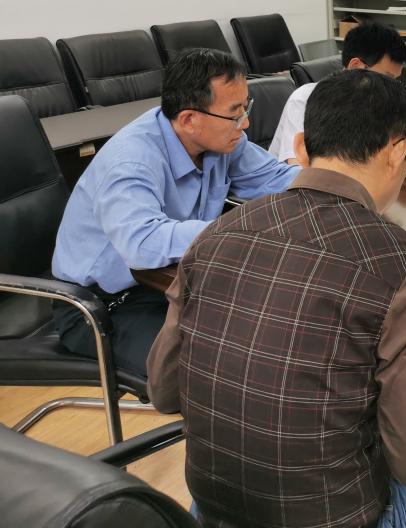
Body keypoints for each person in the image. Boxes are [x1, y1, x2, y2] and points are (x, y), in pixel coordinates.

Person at [147, 70, 406, 528]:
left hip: (213, 511)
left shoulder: (215, 235)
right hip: (338, 517)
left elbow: (163, 390)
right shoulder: (400, 262)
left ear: (301, 147)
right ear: (398, 151)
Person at [51, 48, 300, 378]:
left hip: (171, 284)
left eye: (246, 108)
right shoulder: (132, 161)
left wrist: (342, 178)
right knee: (215, 370)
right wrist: (233, 228)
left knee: (271, 331)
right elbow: (142, 243)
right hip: (101, 305)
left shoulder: (222, 140)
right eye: (235, 114)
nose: (245, 123)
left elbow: (276, 179)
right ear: (189, 119)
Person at [269, 22, 406, 165]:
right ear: (356, 67)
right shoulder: (305, 100)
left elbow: (393, 136)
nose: (391, 88)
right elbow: (298, 168)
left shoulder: (373, 98)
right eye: (386, 78)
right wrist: (384, 161)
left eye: (395, 80)